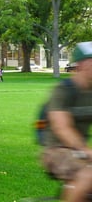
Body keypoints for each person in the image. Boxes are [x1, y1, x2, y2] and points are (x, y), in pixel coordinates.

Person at [41, 41, 92, 201]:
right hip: (57, 151)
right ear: (82, 65)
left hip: (80, 151)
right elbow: (61, 127)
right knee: (88, 174)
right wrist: (86, 151)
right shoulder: (64, 90)